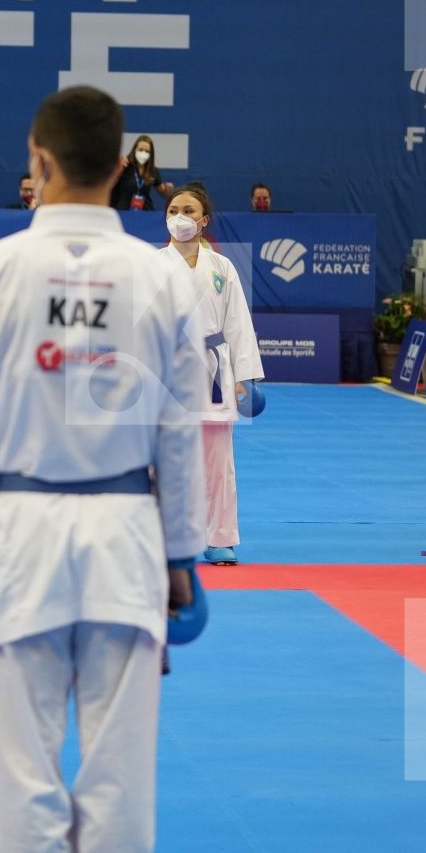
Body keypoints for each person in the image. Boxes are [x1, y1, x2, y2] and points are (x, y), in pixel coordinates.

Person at [0, 85, 208, 853]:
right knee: (121, 774)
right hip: (128, 534)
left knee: (21, 773)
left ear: (36, 161)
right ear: (124, 169)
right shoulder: (164, 279)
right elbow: (180, 432)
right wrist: (182, 557)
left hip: (19, 535)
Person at [160, 182, 262, 566]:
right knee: (162, 460)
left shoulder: (223, 266)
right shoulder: (152, 264)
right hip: (166, 367)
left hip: (214, 369)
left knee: (218, 460)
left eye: (187, 211)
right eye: (172, 211)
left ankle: (219, 536)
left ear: (203, 221)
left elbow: (238, 323)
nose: (179, 218)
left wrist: (245, 375)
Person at [110, 134, 173, 211]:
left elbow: (163, 193)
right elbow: (109, 186)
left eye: (147, 151)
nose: (143, 153)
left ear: (151, 154)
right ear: (135, 150)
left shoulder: (153, 171)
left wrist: (168, 190)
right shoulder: (125, 166)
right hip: (124, 212)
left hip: (145, 213)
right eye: (140, 150)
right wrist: (117, 170)